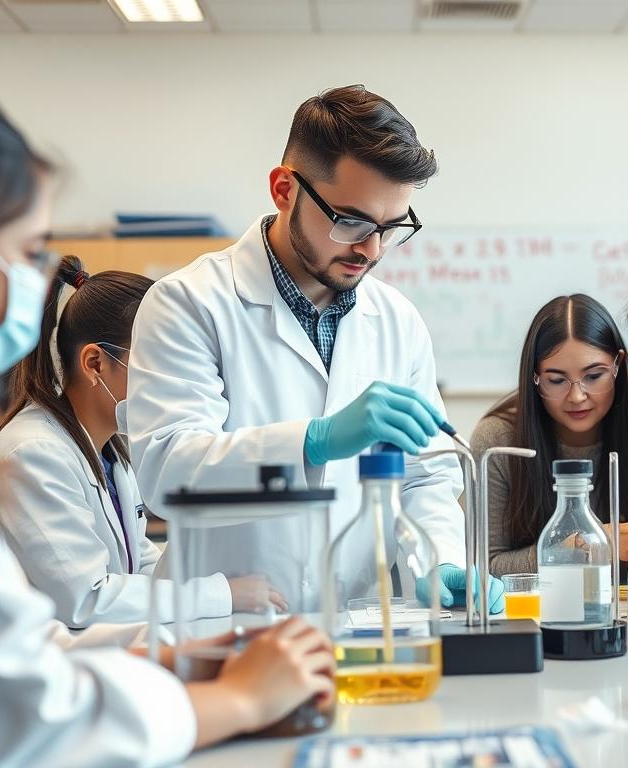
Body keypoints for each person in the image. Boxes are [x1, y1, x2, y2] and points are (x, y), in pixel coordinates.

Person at [0, 78, 332, 767]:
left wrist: (161, 654)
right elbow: (23, 714)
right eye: (24, 252)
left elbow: (23, 649)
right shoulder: (20, 455)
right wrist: (240, 700)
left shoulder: (107, 455)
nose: (30, 276)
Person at [128, 85, 492, 611]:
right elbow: (167, 473)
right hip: (226, 633)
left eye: (392, 229)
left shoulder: (398, 321)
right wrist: (314, 442)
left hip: (358, 628)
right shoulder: (188, 303)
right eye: (352, 221)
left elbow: (426, 473)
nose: (370, 249)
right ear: (284, 189)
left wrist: (439, 562)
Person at [0, 256, 282, 628]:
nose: (169, 380)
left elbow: (141, 567)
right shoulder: (32, 454)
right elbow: (86, 600)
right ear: (94, 363)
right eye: (154, 364)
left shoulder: (112, 451)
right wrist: (223, 593)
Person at [474, 294, 628, 577]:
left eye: (593, 376)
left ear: (619, 366)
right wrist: (591, 541)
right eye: (556, 380)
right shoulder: (498, 441)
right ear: (534, 378)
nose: (577, 396)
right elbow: (484, 568)